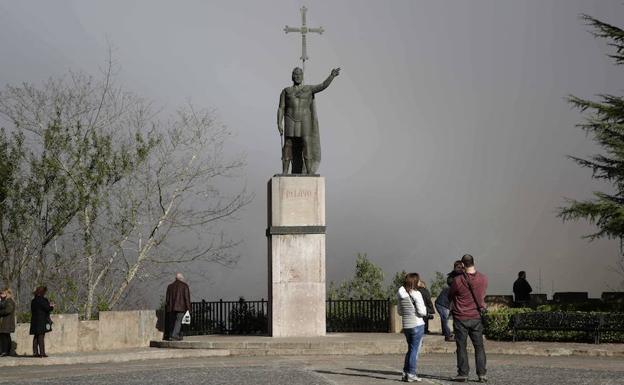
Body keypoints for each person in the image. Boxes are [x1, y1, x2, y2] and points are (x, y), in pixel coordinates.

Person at [277, 67, 340, 174]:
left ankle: (310, 172)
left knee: (306, 143)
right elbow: (281, 107)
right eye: (295, 74)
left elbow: (323, 85)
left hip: (305, 118)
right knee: (288, 144)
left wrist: (332, 76)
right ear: (292, 76)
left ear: (302, 76)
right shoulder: (286, 91)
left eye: (299, 74)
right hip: (290, 118)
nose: (297, 76)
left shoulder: (309, 89)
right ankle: (285, 172)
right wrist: (279, 122)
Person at [448, 254, 488, 383]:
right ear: (473, 262)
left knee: (461, 346)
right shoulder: (483, 278)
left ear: (463, 265)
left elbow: (451, 295)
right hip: (476, 317)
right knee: (479, 347)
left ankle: (463, 374)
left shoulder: (458, 280)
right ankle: (482, 374)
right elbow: (482, 295)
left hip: (460, 317)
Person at [397, 273, 427, 382]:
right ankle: (411, 374)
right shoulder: (416, 294)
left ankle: (405, 372)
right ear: (414, 282)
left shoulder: (400, 293)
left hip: (406, 325)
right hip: (417, 324)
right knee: (414, 350)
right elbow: (422, 312)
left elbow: (399, 312)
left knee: (410, 349)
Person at [435, 260, 465, 342]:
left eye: (461, 267)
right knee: (445, 318)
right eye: (458, 267)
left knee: (445, 318)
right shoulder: (453, 278)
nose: (459, 269)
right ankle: (447, 335)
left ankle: (446, 333)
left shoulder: (462, 277)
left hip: (444, 303)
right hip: (442, 303)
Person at [165, 273, 191, 341]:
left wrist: (168, 307)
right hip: (181, 307)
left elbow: (167, 299)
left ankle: (172, 335)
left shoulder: (170, 286)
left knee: (173, 321)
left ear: (175, 278)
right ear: (181, 278)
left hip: (171, 308)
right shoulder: (185, 286)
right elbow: (187, 298)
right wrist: (188, 308)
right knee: (179, 321)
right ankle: (174, 336)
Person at [30, 286, 54, 357]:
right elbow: (47, 308)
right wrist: (52, 306)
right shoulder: (43, 300)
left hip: (34, 320)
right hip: (42, 320)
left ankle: (35, 353)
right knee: (41, 336)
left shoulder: (33, 300)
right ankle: (42, 353)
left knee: (36, 336)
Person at [0, 288, 16, 356]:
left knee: (5, 337)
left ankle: (5, 351)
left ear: (7, 294)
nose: (1, 295)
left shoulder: (9, 301)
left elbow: (8, 310)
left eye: (3, 293)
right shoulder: (6, 301)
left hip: (7, 322)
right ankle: (5, 351)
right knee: (5, 336)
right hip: (5, 322)